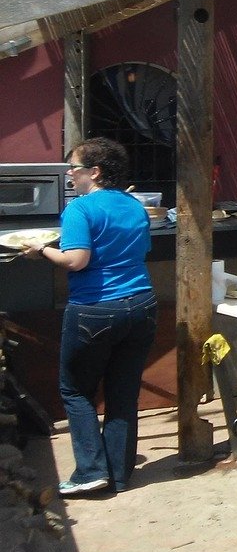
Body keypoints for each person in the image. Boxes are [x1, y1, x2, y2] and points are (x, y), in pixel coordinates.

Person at [21, 138, 156, 497]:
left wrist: (41, 249)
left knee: (75, 390)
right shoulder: (134, 205)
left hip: (95, 309)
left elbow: (76, 260)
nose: (69, 174)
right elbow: (141, 249)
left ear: (94, 172)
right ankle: (119, 475)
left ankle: (91, 472)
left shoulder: (79, 209)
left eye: (74, 168)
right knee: (123, 392)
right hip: (141, 304)